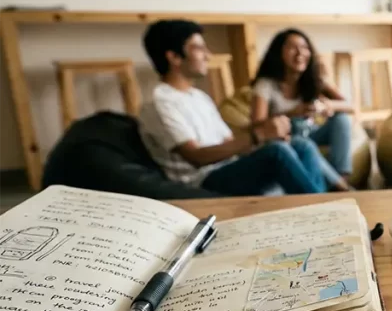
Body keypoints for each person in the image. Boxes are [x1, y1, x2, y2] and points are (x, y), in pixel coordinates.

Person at [138, 20, 325, 196]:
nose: (208, 55)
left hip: (229, 167)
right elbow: (196, 157)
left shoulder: (199, 97)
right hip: (203, 181)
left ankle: (327, 206)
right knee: (277, 152)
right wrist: (258, 135)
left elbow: (228, 140)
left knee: (302, 145)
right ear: (174, 57)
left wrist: (266, 137)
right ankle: (327, 212)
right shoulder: (161, 103)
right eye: (199, 48)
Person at [251, 28, 355, 191]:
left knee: (341, 119)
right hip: (287, 139)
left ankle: (342, 178)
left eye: (304, 47)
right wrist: (293, 112)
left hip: (311, 131)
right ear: (279, 53)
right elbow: (257, 125)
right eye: (292, 47)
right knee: (303, 144)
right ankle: (342, 188)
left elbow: (350, 106)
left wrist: (326, 105)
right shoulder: (266, 84)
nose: (300, 53)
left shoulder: (313, 79)